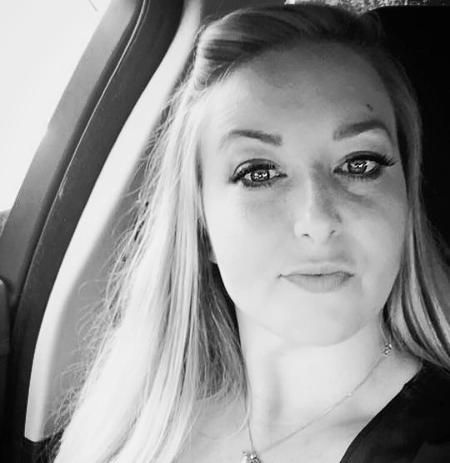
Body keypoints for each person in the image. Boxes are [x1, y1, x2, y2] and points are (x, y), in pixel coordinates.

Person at [51, 2, 450, 462]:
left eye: (360, 164)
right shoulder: (130, 427)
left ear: (406, 198)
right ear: (201, 225)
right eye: (258, 173)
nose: (317, 219)